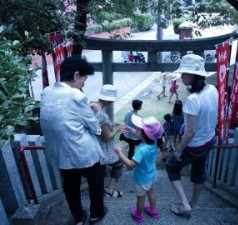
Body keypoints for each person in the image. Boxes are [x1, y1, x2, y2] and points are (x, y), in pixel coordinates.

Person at [40, 56, 107, 225]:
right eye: (84, 79)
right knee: (97, 178)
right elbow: (93, 126)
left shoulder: (47, 92)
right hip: (81, 151)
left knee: (70, 185)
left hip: (60, 152)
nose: (84, 84)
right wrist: (95, 113)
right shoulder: (76, 95)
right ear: (77, 76)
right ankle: (96, 214)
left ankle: (78, 217)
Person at [165, 54, 218, 219]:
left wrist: (179, 150)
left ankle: (185, 205)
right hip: (209, 139)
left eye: (184, 73)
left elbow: (190, 131)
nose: (181, 77)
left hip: (195, 144)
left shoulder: (193, 99)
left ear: (194, 75)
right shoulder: (213, 89)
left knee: (171, 166)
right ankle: (194, 202)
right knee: (199, 170)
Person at [114, 114, 163, 223]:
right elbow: (140, 134)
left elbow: (131, 164)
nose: (137, 130)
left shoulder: (142, 150)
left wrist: (120, 153)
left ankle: (139, 216)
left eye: (139, 129)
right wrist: (127, 128)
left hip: (141, 180)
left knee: (141, 198)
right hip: (151, 175)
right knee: (150, 191)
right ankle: (153, 210)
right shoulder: (154, 141)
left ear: (143, 133)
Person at [89, 84, 125, 198]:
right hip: (103, 147)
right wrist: (117, 129)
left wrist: (112, 124)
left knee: (100, 169)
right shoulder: (101, 115)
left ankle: (101, 188)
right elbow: (107, 136)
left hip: (93, 144)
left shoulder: (92, 106)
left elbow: (100, 126)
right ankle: (110, 190)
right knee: (119, 163)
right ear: (109, 100)